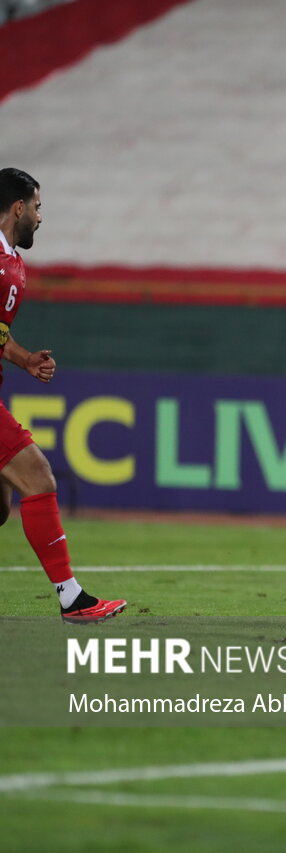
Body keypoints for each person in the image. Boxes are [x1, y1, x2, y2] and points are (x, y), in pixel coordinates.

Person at [0, 168, 126, 624]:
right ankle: (72, 598)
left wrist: (24, 359)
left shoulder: (11, 262)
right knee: (39, 477)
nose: (39, 217)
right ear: (19, 208)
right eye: (37, 207)